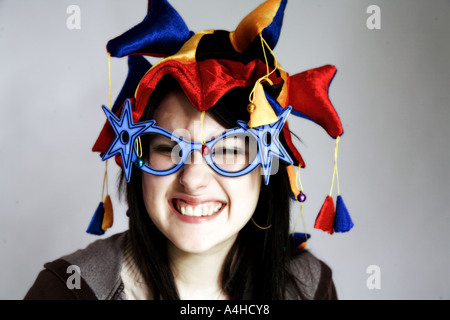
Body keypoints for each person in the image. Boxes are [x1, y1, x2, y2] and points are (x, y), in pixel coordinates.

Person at [25, 0, 348, 300]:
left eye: (229, 151)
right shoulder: (68, 289)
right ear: (137, 162)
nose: (193, 178)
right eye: (167, 147)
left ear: (269, 167)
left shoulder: (310, 285)